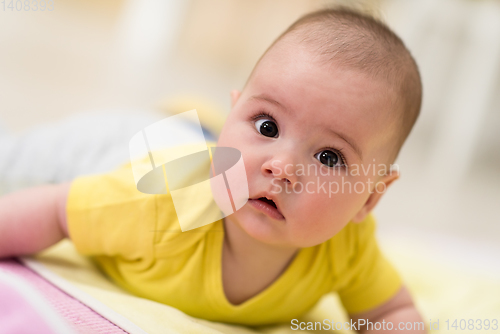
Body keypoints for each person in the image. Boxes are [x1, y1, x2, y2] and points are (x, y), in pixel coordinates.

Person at [0, 8, 426, 333]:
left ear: (369, 197)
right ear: (237, 109)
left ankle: (211, 123)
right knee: (16, 159)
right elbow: (56, 210)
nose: (281, 167)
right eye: (267, 125)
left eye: (329, 157)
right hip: (128, 148)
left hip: (208, 143)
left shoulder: (346, 248)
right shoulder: (156, 203)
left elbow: (389, 313)